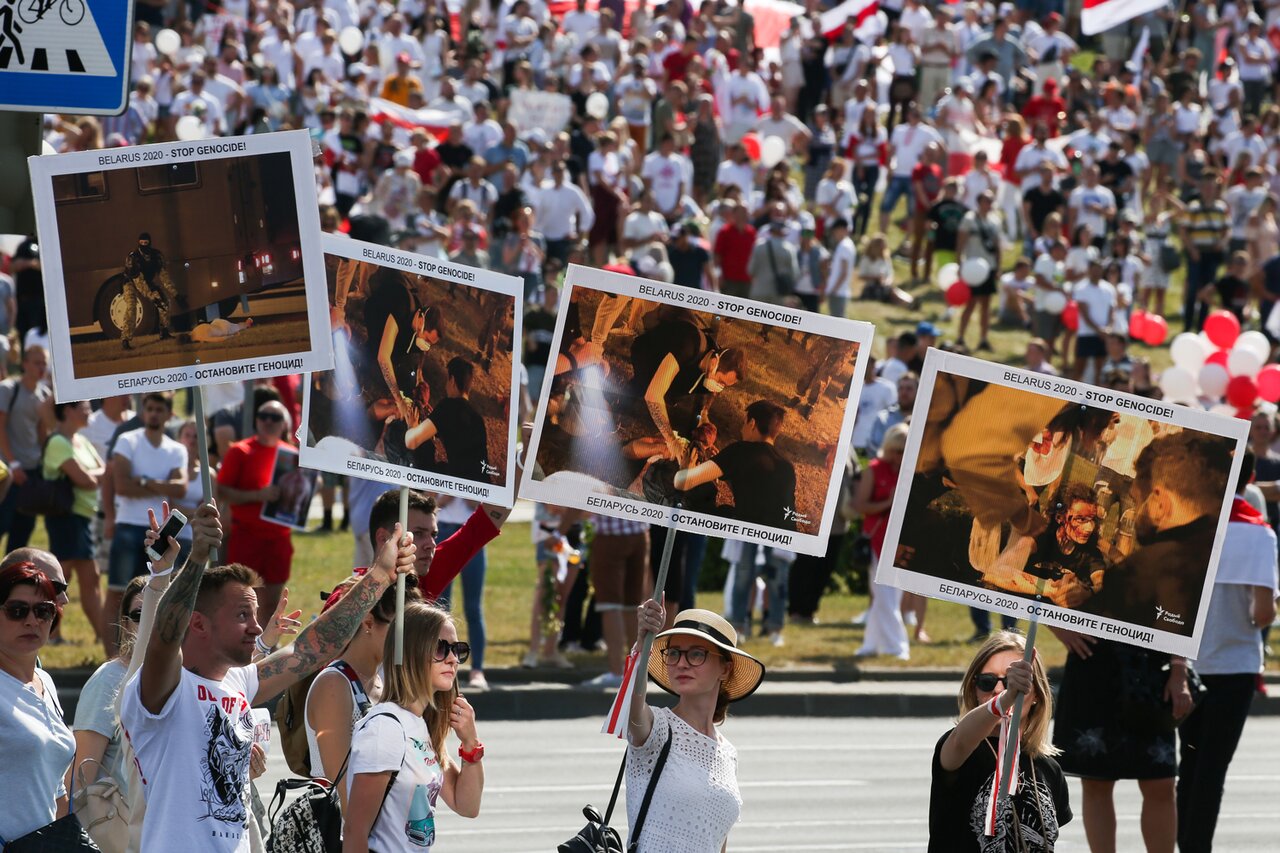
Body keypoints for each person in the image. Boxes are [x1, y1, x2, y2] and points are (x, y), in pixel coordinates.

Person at [119, 503, 416, 853]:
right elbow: (165, 636)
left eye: (255, 614)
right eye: (243, 615)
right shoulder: (161, 689)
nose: (257, 627)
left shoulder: (239, 681)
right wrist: (196, 556)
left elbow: (313, 649)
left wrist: (380, 574)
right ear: (198, 623)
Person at [1177, 452, 1277, 853]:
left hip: (1187, 664)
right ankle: (1196, 846)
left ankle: (1184, 842)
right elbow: (1262, 613)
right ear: (1250, 478)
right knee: (1213, 770)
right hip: (1234, 665)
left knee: (1189, 764)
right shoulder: (1259, 534)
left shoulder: (1187, 526)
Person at [342, 600, 483, 852]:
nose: (452, 659)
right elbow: (355, 831)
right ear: (411, 651)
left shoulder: (421, 725)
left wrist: (471, 744)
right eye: (441, 648)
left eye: (457, 649)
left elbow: (467, 805)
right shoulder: (386, 728)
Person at [628, 598, 766, 852]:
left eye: (696, 654)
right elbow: (630, 706)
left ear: (725, 669)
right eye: (673, 653)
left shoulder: (728, 754)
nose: (681, 663)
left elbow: (717, 842)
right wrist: (642, 642)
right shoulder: (656, 728)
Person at [929, 632, 1071, 851]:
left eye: (1012, 681)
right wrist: (1005, 699)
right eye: (987, 682)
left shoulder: (1048, 769)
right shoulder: (963, 747)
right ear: (973, 690)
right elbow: (959, 741)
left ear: (1036, 695)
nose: (997, 689)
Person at [105, 391, 188, 657]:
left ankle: (146, 655)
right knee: (119, 593)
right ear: (143, 411)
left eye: (159, 409)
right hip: (128, 526)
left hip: (159, 533)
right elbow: (122, 486)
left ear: (168, 414)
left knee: (154, 594)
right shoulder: (127, 440)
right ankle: (113, 657)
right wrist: (159, 484)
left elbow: (181, 488)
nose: (153, 414)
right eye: (149, 408)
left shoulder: (176, 449)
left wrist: (142, 480)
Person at [0, 561, 74, 845]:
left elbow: (54, 787)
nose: (32, 621)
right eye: (17, 611)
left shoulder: (45, 681)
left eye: (43, 610)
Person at [216, 399, 296, 626]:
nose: (268, 421)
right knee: (241, 599)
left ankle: (267, 645)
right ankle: (240, 643)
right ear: (256, 420)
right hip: (246, 536)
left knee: (273, 598)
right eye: (263, 415)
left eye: (275, 417)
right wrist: (257, 496)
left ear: (284, 424)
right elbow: (222, 491)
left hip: (279, 537)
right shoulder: (240, 451)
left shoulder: (292, 455)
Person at [70, 575, 147, 801]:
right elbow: (80, 778)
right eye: (140, 615)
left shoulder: (186, 678)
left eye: (161, 612)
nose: (151, 622)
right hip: (124, 828)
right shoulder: (108, 679)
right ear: (125, 624)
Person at [673, 400, 796, 530]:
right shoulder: (787, 466)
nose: (742, 429)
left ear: (752, 423)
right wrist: (727, 469)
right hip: (782, 542)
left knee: (697, 504)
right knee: (726, 511)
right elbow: (752, 494)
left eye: (744, 423)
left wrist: (686, 466)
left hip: (746, 538)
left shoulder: (740, 450)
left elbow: (683, 482)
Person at [43, 400, 106, 648]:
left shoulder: (82, 441)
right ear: (68, 410)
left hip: (82, 517)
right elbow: (87, 481)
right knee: (62, 578)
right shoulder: (59, 442)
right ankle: (52, 635)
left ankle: (105, 637)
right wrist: (94, 476)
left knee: (90, 578)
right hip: (65, 518)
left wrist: (94, 476)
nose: (90, 411)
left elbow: (102, 470)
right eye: (85, 407)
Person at [853, 423, 910, 660]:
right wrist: (887, 503)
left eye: (903, 450)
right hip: (877, 540)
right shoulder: (874, 470)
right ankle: (897, 646)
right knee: (885, 596)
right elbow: (859, 505)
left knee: (888, 596)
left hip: (901, 542)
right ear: (888, 448)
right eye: (895, 449)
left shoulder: (910, 471)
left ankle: (870, 644)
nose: (899, 455)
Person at [0, 344, 51, 552]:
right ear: (25, 364)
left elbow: (42, 433)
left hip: (32, 473)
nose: (41, 368)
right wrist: (13, 463)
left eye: (44, 364)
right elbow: (0, 428)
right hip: (7, 472)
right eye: (37, 363)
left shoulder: (44, 394)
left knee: (22, 532)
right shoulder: (8, 389)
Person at [120, 232, 180, 350]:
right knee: (131, 306)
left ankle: (164, 332)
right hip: (130, 282)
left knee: (164, 302)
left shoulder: (156, 256)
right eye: (141, 243)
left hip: (147, 282)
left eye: (146, 243)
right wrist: (152, 297)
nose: (143, 245)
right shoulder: (133, 258)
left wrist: (175, 294)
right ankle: (125, 339)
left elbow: (164, 276)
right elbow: (138, 282)